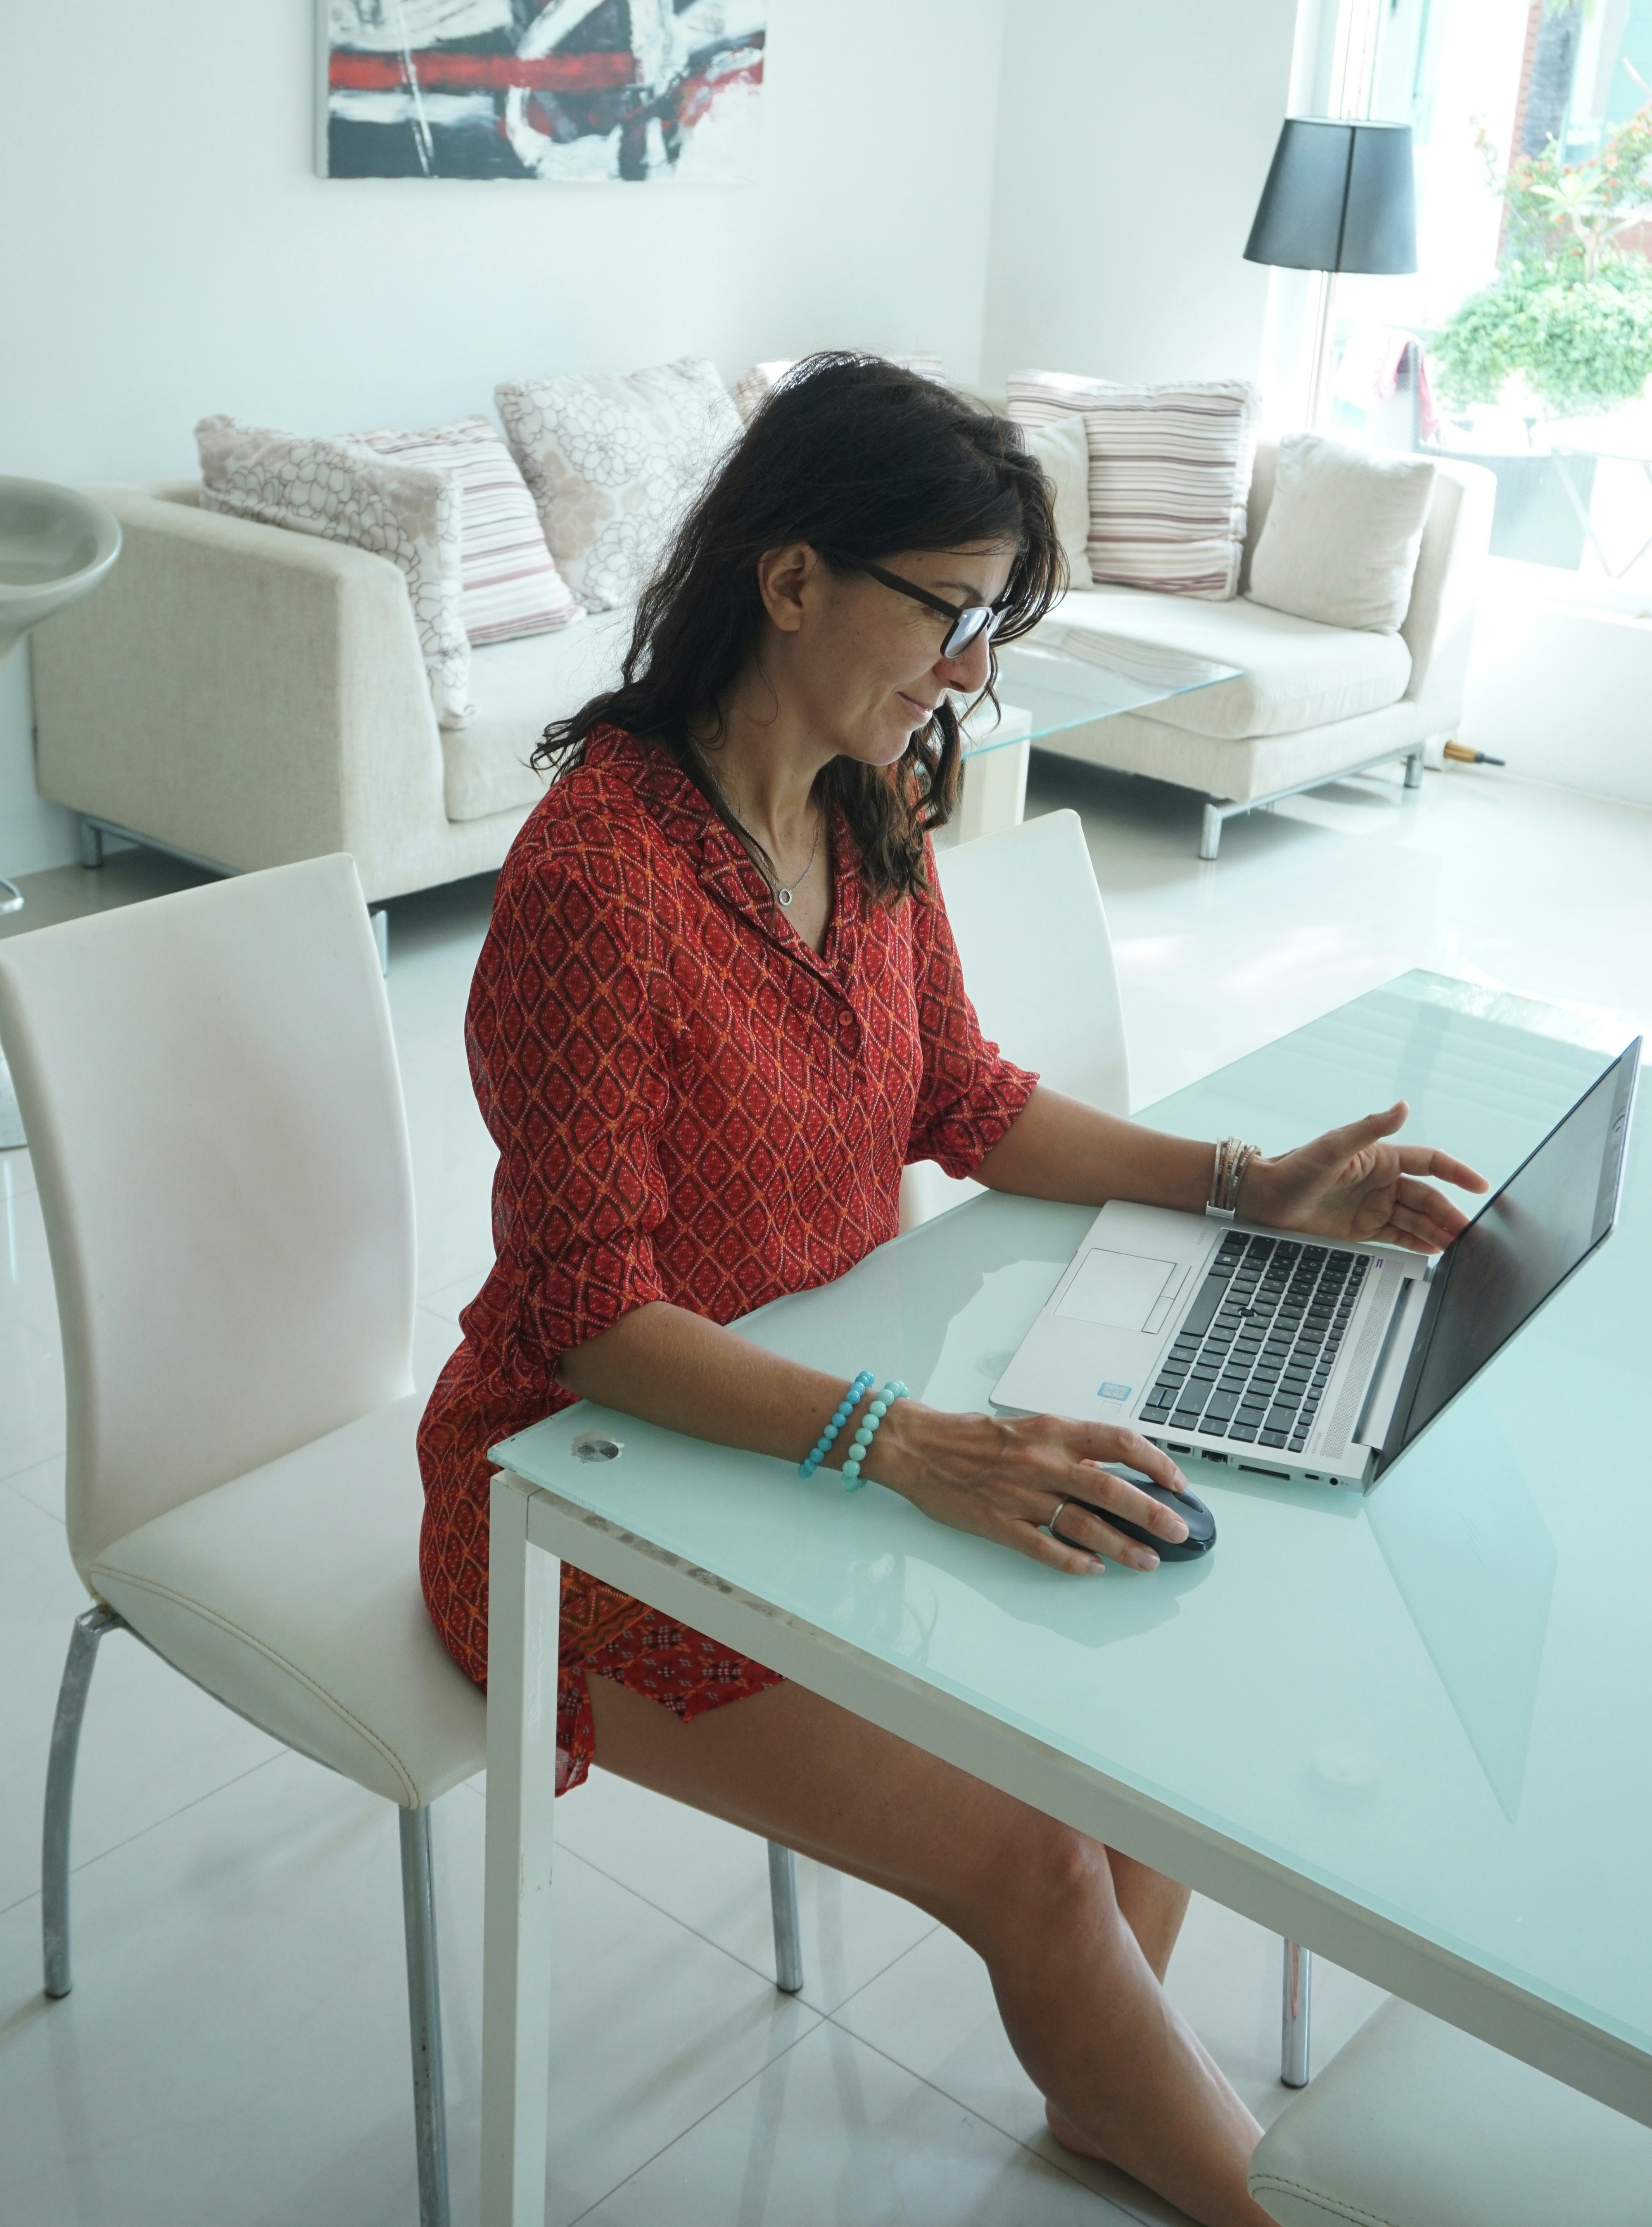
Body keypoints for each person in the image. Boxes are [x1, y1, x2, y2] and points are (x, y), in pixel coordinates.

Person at [418, 356, 1487, 2227]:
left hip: (827, 1426)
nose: (971, 672)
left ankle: (1104, 2080)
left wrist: (1253, 1188)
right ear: (792, 578)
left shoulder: (863, 809)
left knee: (1154, 1692)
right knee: (1039, 1862)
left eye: (992, 625)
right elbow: (594, 1320)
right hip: (586, 1490)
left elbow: (961, 1098)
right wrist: (909, 1450)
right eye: (952, 615)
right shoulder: (597, 879)